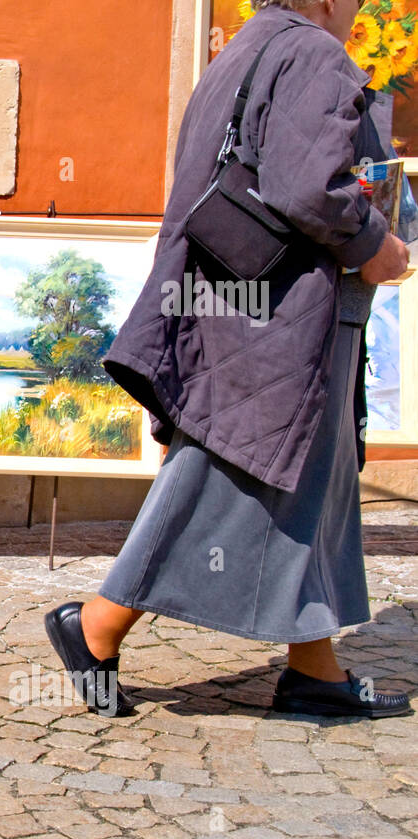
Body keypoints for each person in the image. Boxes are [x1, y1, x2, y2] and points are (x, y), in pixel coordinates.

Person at [43, 0, 414, 720]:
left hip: (239, 305)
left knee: (308, 479)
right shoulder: (313, 53)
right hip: (281, 317)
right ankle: (97, 624)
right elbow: (311, 187)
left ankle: (314, 665)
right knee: (229, 470)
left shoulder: (243, 49)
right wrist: (379, 246)